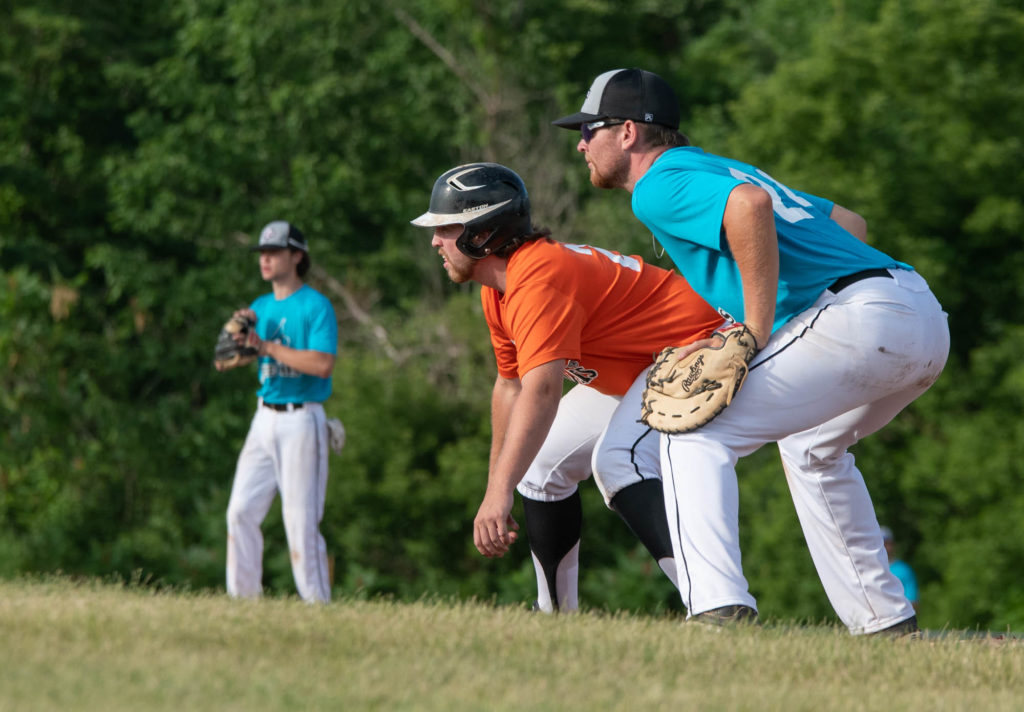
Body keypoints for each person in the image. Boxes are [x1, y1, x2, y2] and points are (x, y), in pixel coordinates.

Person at [552, 68, 950, 634]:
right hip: (919, 314)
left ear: (630, 133)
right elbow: (849, 223)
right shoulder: (713, 166)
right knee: (813, 451)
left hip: (858, 319)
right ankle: (886, 623)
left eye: (591, 129)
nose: (581, 143)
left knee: (689, 429)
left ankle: (717, 609)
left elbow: (748, 206)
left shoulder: (659, 182)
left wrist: (757, 329)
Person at [410, 162, 727, 612]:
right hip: (643, 368)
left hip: (700, 350)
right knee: (538, 467)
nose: (435, 240)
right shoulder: (497, 287)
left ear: (481, 233)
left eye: (446, 227)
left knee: (619, 462)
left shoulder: (537, 275)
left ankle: (717, 603)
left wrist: (500, 494)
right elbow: (510, 386)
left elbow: (543, 392)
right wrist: (496, 485)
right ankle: (557, 619)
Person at [217, 220, 338, 603]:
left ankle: (318, 607)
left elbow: (321, 364)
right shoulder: (259, 307)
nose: (265, 259)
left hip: (302, 420)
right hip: (263, 418)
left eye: (274, 252)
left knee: (300, 523)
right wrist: (237, 345)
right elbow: (225, 361)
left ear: (296, 256)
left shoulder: (316, 306)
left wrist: (266, 347)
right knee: (239, 512)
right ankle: (243, 603)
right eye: (262, 253)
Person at [881, 526, 919, 611]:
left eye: (889, 543)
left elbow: (913, 602)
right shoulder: (867, 569)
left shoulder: (904, 570)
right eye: (883, 544)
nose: (887, 548)